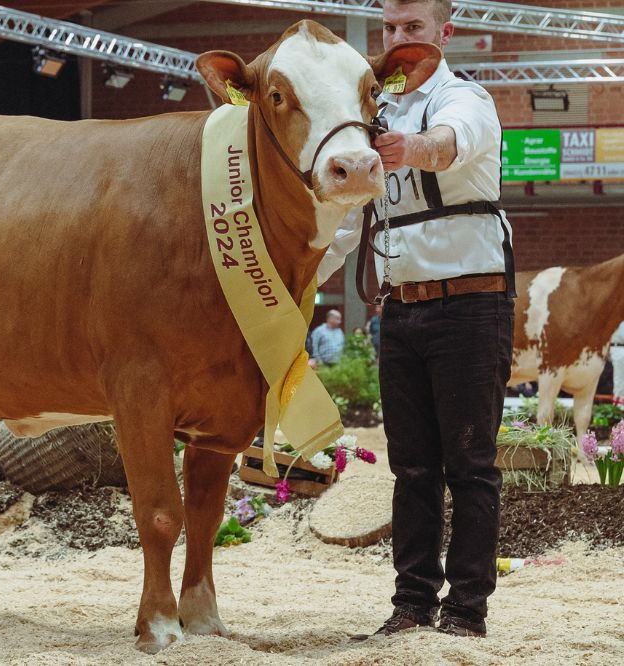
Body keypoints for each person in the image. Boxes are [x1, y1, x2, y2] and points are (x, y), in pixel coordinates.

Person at [319, 0, 515, 639]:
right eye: (390, 28)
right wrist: (287, 292)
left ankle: (465, 615)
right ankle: (410, 608)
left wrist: (408, 147)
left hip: (470, 307)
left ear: (444, 34)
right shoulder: (371, 118)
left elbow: (446, 146)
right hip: (398, 314)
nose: (398, 39)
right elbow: (347, 224)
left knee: (470, 465)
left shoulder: (466, 100)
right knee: (411, 469)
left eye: (413, 28)